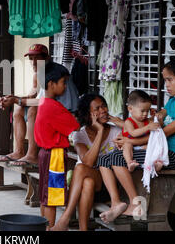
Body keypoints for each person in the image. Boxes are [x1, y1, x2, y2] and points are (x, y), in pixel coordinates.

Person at [110, 58, 175, 218]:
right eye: (165, 80)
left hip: (170, 155)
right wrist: (127, 134)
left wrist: (129, 141)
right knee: (106, 159)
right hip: (154, 149)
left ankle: (135, 203)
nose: (166, 84)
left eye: (169, 79)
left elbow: (162, 133)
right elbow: (156, 120)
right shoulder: (173, 101)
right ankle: (116, 203)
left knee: (115, 157)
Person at [51, 94, 128, 230]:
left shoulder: (116, 132)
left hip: (109, 186)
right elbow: (89, 162)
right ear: (88, 115)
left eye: (104, 106)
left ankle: (65, 219)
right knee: (87, 181)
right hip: (86, 186)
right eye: (97, 109)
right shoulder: (79, 135)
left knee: (80, 168)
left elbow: (86, 165)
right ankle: (83, 229)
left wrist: (102, 130)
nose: (103, 110)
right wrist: (99, 132)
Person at [0, 44, 79, 167]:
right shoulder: (39, 73)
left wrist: (17, 100)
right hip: (51, 113)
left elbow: (43, 102)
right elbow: (31, 97)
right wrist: (10, 99)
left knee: (33, 110)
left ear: (47, 58)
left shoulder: (55, 73)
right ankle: (19, 151)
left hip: (67, 112)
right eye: (31, 59)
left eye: (37, 58)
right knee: (19, 109)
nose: (34, 62)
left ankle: (32, 155)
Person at [34, 61, 80, 229]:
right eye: (63, 82)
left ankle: (44, 227)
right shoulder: (54, 107)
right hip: (54, 156)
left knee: (45, 196)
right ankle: (51, 227)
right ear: (51, 84)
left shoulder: (43, 102)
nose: (66, 87)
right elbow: (74, 126)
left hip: (44, 153)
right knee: (52, 198)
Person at [121, 90, 160, 172]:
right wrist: (147, 127)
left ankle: (155, 164)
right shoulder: (128, 122)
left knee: (154, 146)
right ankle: (130, 163)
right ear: (130, 109)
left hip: (142, 146)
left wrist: (155, 117)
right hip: (130, 147)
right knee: (127, 145)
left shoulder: (148, 121)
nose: (145, 114)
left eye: (147, 110)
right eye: (142, 111)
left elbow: (158, 126)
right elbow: (133, 133)